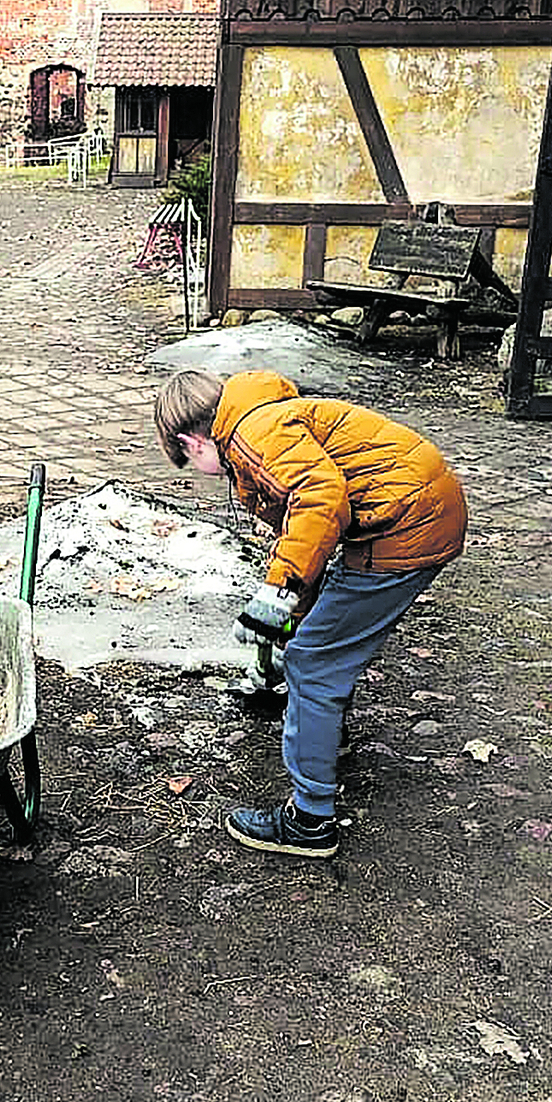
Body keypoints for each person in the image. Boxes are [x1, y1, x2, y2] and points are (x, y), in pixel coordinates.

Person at [153, 368, 468, 859]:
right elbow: (309, 535)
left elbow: (321, 502)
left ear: (192, 443)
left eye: (190, 463)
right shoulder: (259, 417)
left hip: (406, 526)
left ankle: (310, 820)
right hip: (413, 511)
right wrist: (290, 609)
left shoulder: (254, 434)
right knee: (314, 643)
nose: (201, 473)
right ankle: (321, 728)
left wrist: (277, 595)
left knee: (315, 661)